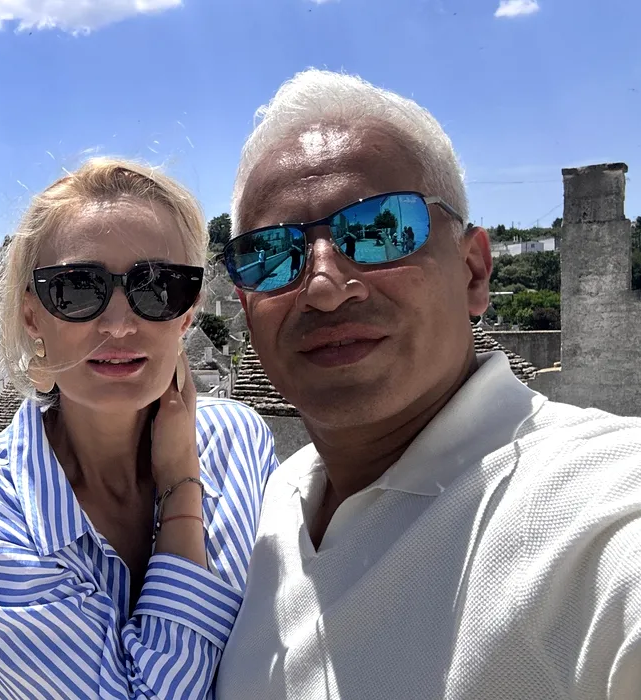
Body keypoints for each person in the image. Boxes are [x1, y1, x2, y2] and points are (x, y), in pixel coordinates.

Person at [217, 69, 641, 699]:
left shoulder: (599, 508)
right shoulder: (270, 508)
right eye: (271, 253)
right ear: (247, 306)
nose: (325, 286)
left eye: (382, 229)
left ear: (474, 271)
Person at [0, 158, 278, 698]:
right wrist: (183, 491)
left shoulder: (240, 442)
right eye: (77, 289)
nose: (118, 324)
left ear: (188, 313)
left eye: (158, 287)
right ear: (32, 316)